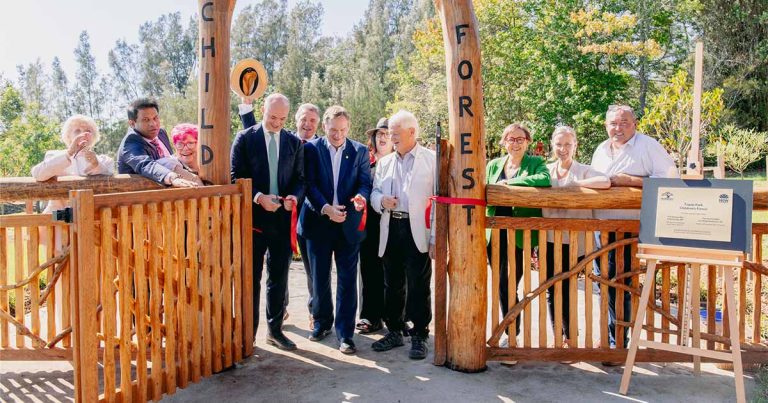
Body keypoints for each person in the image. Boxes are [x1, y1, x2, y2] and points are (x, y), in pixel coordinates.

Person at [590, 104, 677, 355]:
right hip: (602, 228)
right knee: (604, 284)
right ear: (606, 126)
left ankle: (619, 342)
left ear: (635, 123)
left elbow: (671, 180)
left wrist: (631, 181)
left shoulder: (648, 146)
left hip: (632, 230)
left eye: (623, 122)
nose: (618, 128)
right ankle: (609, 337)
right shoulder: (601, 150)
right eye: (613, 124)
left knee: (623, 285)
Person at [231, 93, 305, 351]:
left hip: (282, 220)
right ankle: (247, 337)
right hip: (253, 219)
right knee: (251, 279)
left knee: (279, 278)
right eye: (273, 117)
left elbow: (300, 178)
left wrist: (294, 197)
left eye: (282, 119)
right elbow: (234, 177)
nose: (276, 123)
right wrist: (259, 197)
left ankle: (274, 331)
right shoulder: (245, 138)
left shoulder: (294, 142)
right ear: (263, 109)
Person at [298, 105, 371, 354]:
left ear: (348, 128)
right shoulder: (311, 148)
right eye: (333, 130)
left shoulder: (360, 151)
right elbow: (309, 184)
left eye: (342, 130)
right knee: (319, 279)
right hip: (319, 222)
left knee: (348, 281)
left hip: (348, 225)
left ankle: (345, 335)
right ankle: (321, 323)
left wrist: (361, 198)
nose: (338, 135)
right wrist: (326, 208)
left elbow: (364, 182)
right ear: (324, 127)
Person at [370, 110, 436, 360]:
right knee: (392, 284)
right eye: (389, 133)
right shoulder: (385, 161)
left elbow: (439, 202)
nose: (391, 138)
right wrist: (381, 201)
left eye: (396, 134)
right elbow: (374, 193)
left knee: (419, 285)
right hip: (391, 227)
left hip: (417, 229)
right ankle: (395, 330)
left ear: (412, 132)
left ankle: (420, 334)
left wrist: (435, 238)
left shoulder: (431, 160)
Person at [485, 123, 550, 361]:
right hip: (494, 235)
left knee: (511, 283)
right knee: (503, 284)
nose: (515, 143)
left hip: (520, 236)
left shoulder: (535, 163)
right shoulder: (493, 165)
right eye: (511, 139)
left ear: (528, 141)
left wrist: (510, 184)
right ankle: (510, 333)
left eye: (520, 139)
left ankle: (511, 334)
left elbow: (544, 180)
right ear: (504, 142)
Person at [541, 126, 610, 348]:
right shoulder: (546, 170)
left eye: (568, 144)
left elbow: (606, 182)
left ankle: (571, 337)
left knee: (569, 287)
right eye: (559, 144)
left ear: (575, 146)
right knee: (552, 288)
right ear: (553, 145)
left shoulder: (584, 171)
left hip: (577, 242)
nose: (563, 149)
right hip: (551, 239)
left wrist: (575, 185)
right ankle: (558, 337)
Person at [356, 118, 394, 334]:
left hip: (394, 225)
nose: (383, 137)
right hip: (369, 226)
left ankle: (395, 317)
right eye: (380, 133)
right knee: (369, 270)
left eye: (387, 134)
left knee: (395, 272)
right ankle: (369, 316)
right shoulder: (365, 163)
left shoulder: (400, 163)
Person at [32, 114, 114, 212]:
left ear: (94, 136)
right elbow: (37, 174)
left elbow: (110, 184)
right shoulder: (53, 155)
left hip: (91, 219)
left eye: (88, 131)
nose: (83, 134)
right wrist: (69, 153)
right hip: (58, 220)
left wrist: (95, 164)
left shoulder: (105, 161)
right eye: (77, 131)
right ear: (68, 136)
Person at [117, 97, 200, 187]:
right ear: (132, 123)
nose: (153, 124)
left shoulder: (160, 133)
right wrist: (171, 177)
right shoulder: (131, 141)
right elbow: (145, 165)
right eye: (146, 120)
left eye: (155, 118)